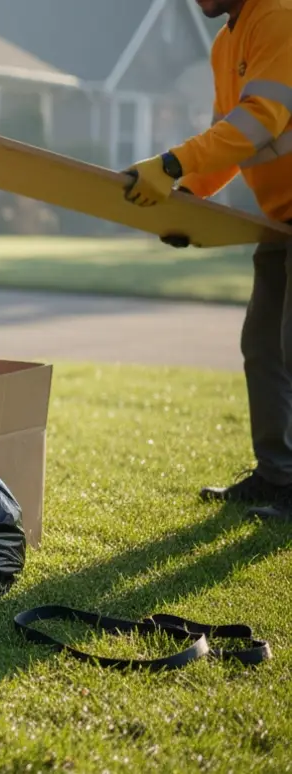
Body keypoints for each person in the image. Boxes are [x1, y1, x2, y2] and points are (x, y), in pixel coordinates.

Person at [122, 0, 292, 516]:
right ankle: (278, 477)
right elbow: (230, 142)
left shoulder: (280, 16)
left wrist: (172, 163)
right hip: (282, 218)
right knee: (263, 345)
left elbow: (259, 120)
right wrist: (190, 197)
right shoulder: (225, 45)